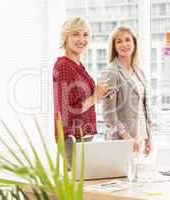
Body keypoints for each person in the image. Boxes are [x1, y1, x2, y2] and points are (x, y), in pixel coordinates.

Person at [53, 17, 109, 168]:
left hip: (84, 136)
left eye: (85, 34)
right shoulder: (64, 65)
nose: (82, 39)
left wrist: (100, 94)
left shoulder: (77, 64)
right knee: (78, 188)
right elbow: (67, 110)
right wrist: (95, 96)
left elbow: (82, 100)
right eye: (75, 34)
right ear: (66, 36)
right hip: (72, 139)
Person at [102, 25, 153, 156]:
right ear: (114, 46)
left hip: (140, 136)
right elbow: (108, 114)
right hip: (122, 140)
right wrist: (126, 137)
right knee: (122, 176)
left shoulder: (139, 70)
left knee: (136, 175)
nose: (124, 44)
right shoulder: (111, 71)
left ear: (134, 43)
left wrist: (148, 137)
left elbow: (143, 107)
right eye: (119, 41)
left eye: (127, 40)